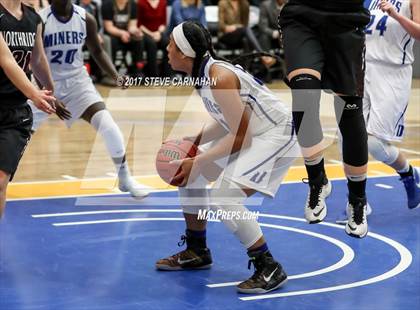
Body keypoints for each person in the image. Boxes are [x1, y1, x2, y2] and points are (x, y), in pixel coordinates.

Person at [156, 21, 299, 294]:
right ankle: (197, 250)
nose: (167, 48)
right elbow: (227, 120)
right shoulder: (203, 73)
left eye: (171, 44)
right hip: (254, 132)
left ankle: (268, 266)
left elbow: (241, 135)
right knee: (189, 170)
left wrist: (199, 159)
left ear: (184, 53)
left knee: (225, 196)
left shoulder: (218, 76)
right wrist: (193, 143)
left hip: (275, 134)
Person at [30, 0, 148, 198]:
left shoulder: (86, 18)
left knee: (108, 125)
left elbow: (97, 51)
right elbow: (35, 61)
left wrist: (115, 75)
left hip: (78, 83)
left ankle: (125, 178)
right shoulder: (40, 20)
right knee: (18, 134)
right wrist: (48, 94)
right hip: (45, 83)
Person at [278, 0, 371, 237]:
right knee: (304, 97)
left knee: (349, 111)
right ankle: (317, 179)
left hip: (347, 20)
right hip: (302, 18)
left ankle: (357, 199)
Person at [0, 0, 57, 218]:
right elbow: (5, 60)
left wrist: (51, 92)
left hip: (15, 112)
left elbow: (38, 59)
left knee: (1, 181)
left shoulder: (34, 18)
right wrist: (34, 93)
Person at [363, 0, 420, 209]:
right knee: (351, 140)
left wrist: (397, 16)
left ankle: (408, 174)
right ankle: (358, 201)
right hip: (362, 70)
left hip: (392, 73)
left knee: (375, 145)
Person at [218, 0, 275, 68]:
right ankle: (262, 55)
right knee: (246, 30)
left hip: (241, 33)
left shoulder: (245, 3)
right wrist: (230, 27)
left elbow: (245, 24)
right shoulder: (223, 2)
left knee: (246, 40)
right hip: (226, 35)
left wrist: (236, 27)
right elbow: (221, 25)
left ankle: (244, 68)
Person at [101, 0, 143, 76]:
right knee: (111, 41)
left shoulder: (133, 4)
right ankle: (111, 72)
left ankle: (137, 71)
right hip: (112, 34)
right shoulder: (108, 4)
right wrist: (122, 33)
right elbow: (109, 27)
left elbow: (132, 25)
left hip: (127, 34)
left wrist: (135, 31)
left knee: (138, 39)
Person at [137, 0, 171, 77]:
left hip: (158, 32)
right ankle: (153, 75)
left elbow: (163, 22)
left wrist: (158, 33)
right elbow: (139, 24)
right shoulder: (141, 2)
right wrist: (151, 34)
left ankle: (167, 75)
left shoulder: (163, 2)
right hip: (145, 33)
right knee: (151, 44)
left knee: (168, 43)